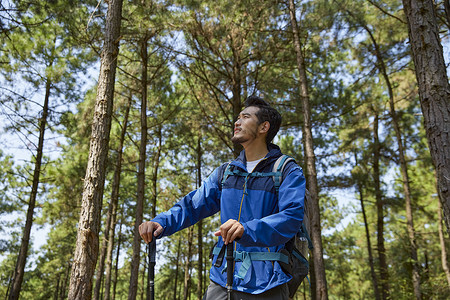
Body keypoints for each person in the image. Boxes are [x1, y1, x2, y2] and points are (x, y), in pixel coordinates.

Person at [139, 95, 306, 299]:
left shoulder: (287, 170)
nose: (237, 122)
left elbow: (291, 217)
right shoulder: (226, 172)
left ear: (264, 127)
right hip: (221, 279)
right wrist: (161, 222)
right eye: (237, 117)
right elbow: (192, 205)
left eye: (245, 117)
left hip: (267, 284)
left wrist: (247, 229)